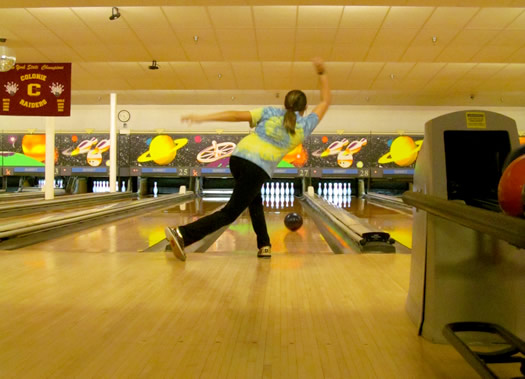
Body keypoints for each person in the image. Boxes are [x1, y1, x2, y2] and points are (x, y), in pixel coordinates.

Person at [165, 58, 331, 261]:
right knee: (229, 213)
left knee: (254, 200)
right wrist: (322, 73)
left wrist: (203, 118)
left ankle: (264, 244)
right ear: (304, 108)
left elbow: (236, 115)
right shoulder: (305, 125)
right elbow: (325, 102)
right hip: (257, 168)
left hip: (237, 158)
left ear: (285, 103)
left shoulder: (270, 112)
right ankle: (182, 234)